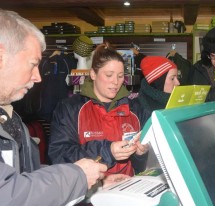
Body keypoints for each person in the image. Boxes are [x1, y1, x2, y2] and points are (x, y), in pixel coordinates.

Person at [0, 9, 109, 206]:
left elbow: (26, 178)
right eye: (33, 64)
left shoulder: (10, 118)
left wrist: (93, 185)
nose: (38, 77)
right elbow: (7, 197)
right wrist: (78, 176)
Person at [48, 42, 149, 176]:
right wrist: (107, 151)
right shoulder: (70, 109)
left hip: (128, 189)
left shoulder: (136, 109)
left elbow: (146, 165)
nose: (115, 82)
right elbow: (59, 156)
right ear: (93, 74)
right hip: (88, 191)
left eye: (120, 76)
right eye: (109, 75)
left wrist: (141, 154)